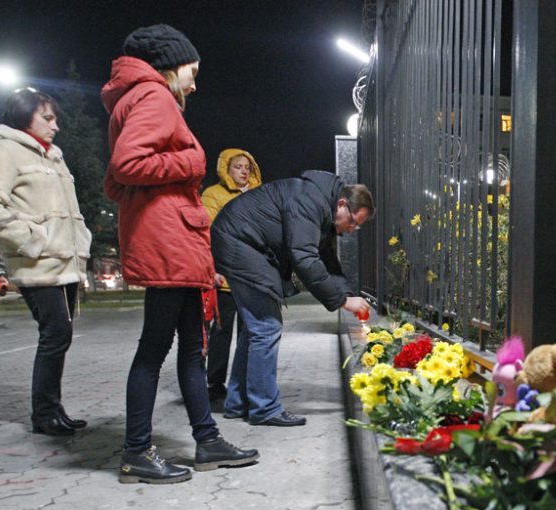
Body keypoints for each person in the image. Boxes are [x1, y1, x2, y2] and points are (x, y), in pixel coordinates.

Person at [102, 24, 258, 484]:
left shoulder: (139, 98)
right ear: (170, 65)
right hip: (167, 240)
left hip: (171, 237)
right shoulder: (153, 97)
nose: (195, 82)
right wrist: (190, 163)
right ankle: (135, 451)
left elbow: (117, 180)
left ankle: (207, 440)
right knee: (155, 350)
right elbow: (126, 166)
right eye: (192, 71)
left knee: (192, 349)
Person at [0, 88, 92, 436]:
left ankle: (53, 409)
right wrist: (32, 241)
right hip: (37, 263)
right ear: (25, 116)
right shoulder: (4, 151)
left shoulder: (52, 156)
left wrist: (79, 243)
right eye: (47, 118)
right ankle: (44, 415)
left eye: (56, 119)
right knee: (55, 334)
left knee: (60, 337)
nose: (55, 126)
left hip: (63, 264)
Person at [211, 171, 372, 426]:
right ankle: (264, 409)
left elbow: (327, 261)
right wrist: (341, 301)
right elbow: (305, 259)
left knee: (255, 330)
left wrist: (349, 295)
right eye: (353, 222)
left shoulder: (321, 205)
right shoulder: (310, 202)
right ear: (342, 204)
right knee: (266, 327)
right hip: (240, 244)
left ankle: (238, 402)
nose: (351, 229)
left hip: (240, 241)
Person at [201, 149, 262, 402]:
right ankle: (215, 384)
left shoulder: (260, 194)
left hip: (252, 277)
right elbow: (209, 234)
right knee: (221, 333)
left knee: (249, 332)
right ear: (226, 169)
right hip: (225, 277)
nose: (244, 171)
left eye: (248, 166)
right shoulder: (213, 195)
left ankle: (245, 382)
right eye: (238, 166)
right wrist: (212, 269)